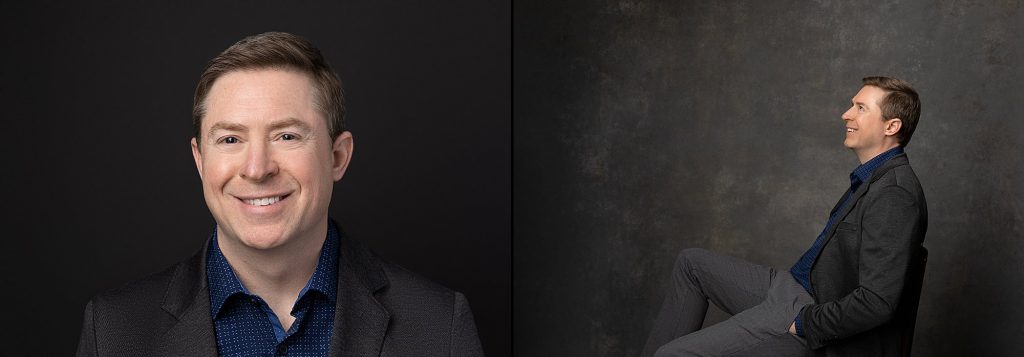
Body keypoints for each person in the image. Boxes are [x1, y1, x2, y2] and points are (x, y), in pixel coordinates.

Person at [76, 32, 484, 357]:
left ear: (338, 156)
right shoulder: (115, 330)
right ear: (201, 161)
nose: (257, 168)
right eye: (231, 138)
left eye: (287, 136)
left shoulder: (438, 325)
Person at [641, 77, 928, 356]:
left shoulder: (894, 195)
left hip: (808, 309)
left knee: (673, 353)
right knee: (691, 264)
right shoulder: (872, 178)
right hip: (792, 287)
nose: (846, 114)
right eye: (852, 105)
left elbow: (877, 302)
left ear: (891, 126)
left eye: (861, 108)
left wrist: (804, 323)